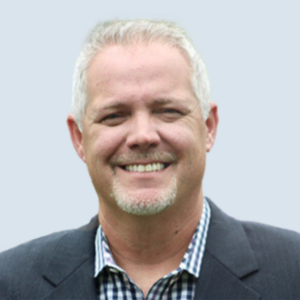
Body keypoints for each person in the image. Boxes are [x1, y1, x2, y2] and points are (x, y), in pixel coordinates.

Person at [1, 19, 300, 300]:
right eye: (114, 116)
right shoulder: (10, 283)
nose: (143, 136)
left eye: (167, 111)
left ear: (208, 127)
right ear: (79, 138)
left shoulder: (293, 271)